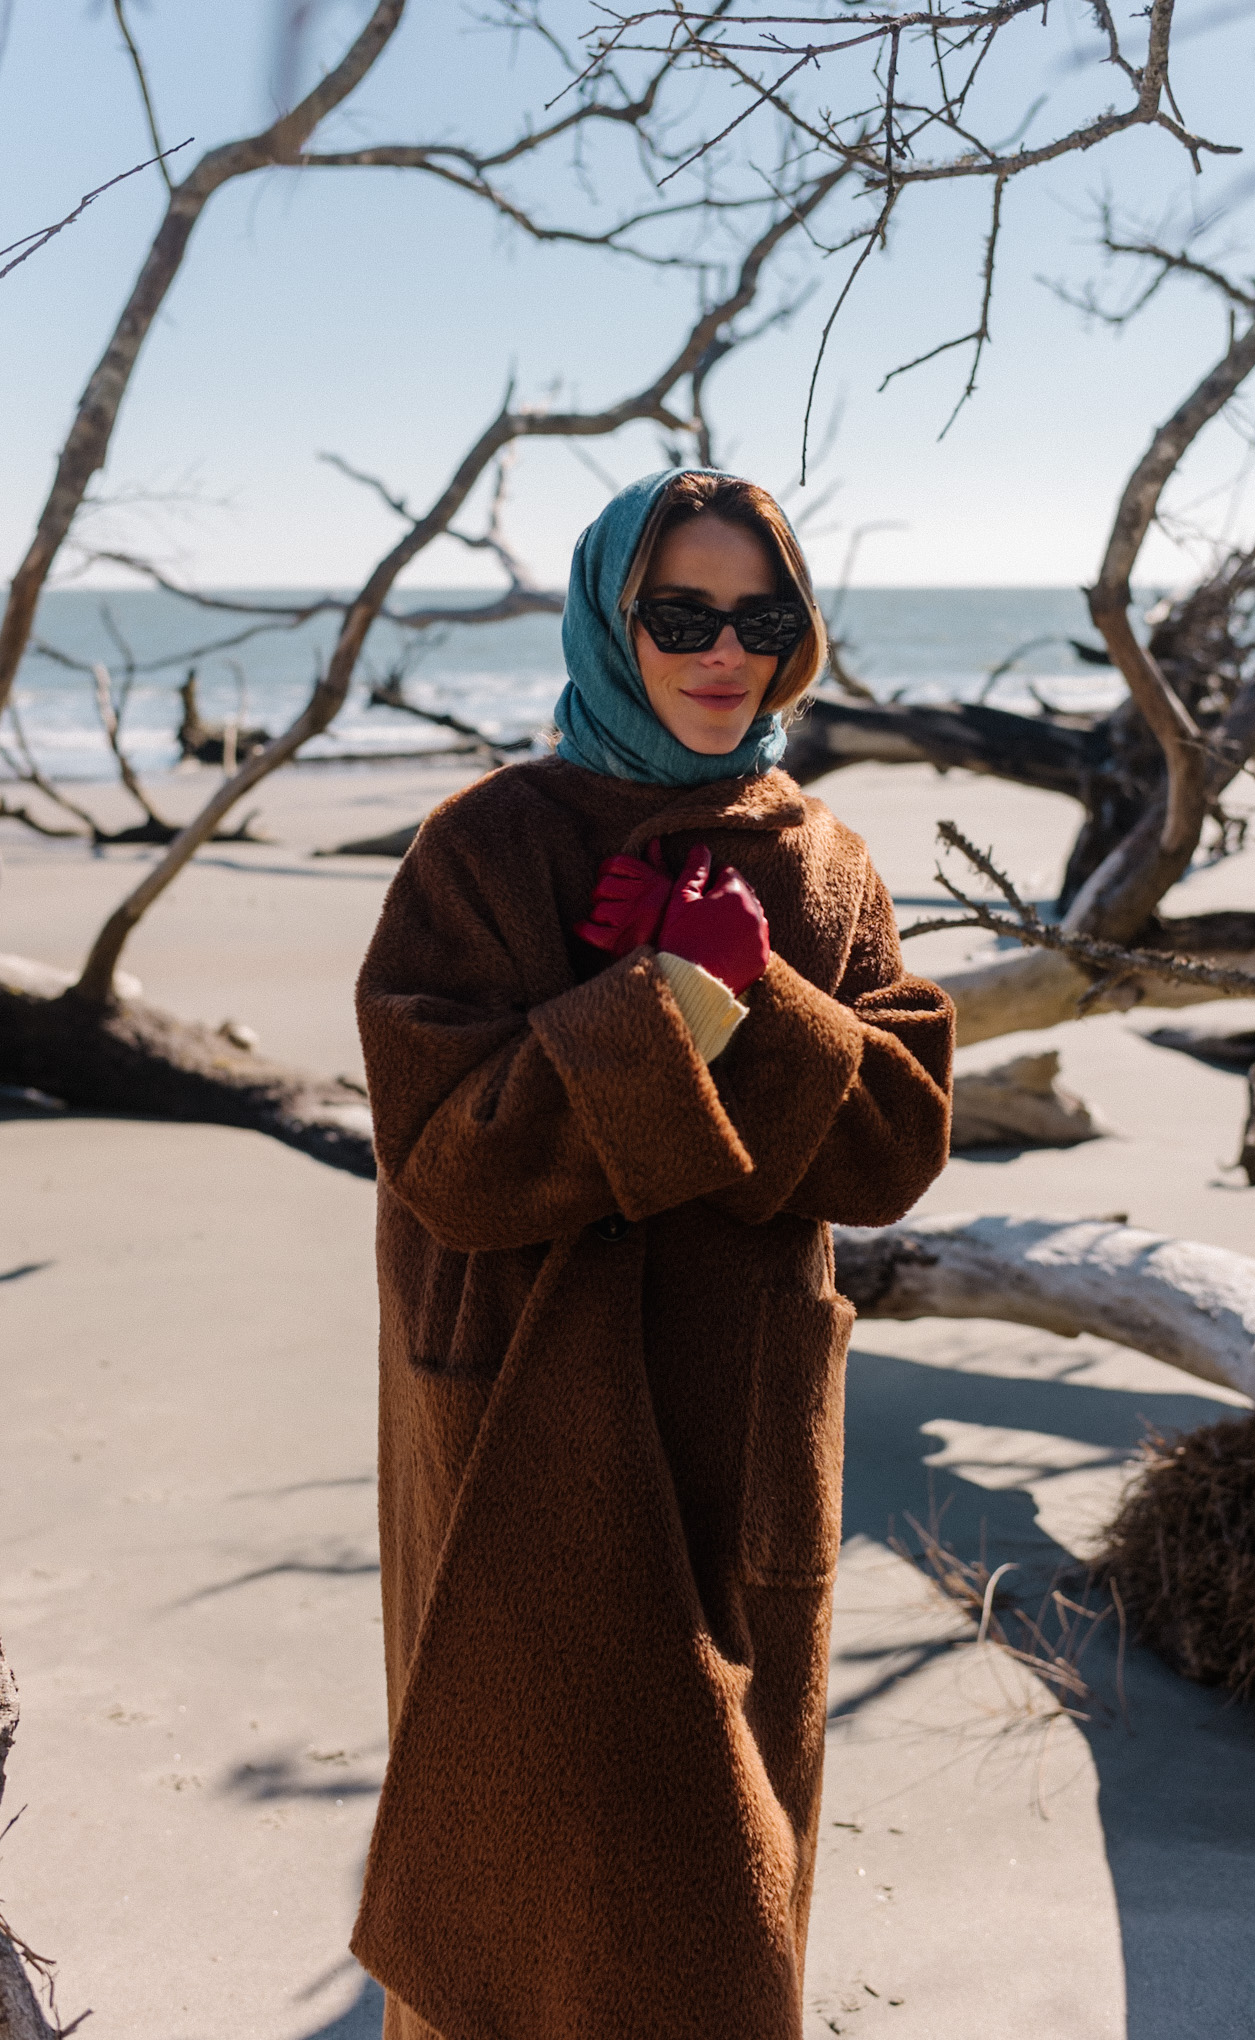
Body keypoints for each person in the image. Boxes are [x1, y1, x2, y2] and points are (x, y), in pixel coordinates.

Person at [350, 468, 954, 2040]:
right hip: (512, 1437)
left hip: (733, 1436)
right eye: (680, 616)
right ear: (614, 624)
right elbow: (450, 1164)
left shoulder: (823, 860)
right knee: (505, 1893)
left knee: (725, 1904)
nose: (723, 654)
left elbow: (895, 1147)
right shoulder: (480, 850)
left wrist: (760, 1005)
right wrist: (659, 1011)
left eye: (761, 619)